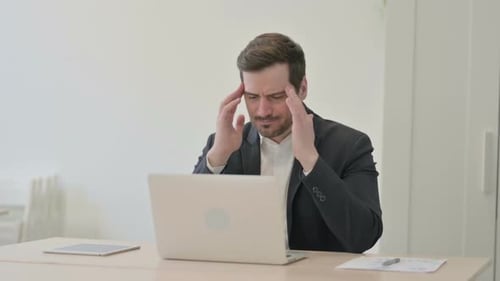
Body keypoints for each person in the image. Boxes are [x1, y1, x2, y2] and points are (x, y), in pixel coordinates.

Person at [193, 33, 382, 253]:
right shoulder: (224, 144)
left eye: (275, 96)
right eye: (252, 97)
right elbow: (189, 227)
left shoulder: (350, 145)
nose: (263, 111)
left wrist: (311, 161)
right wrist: (217, 157)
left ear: (302, 88)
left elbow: (363, 237)